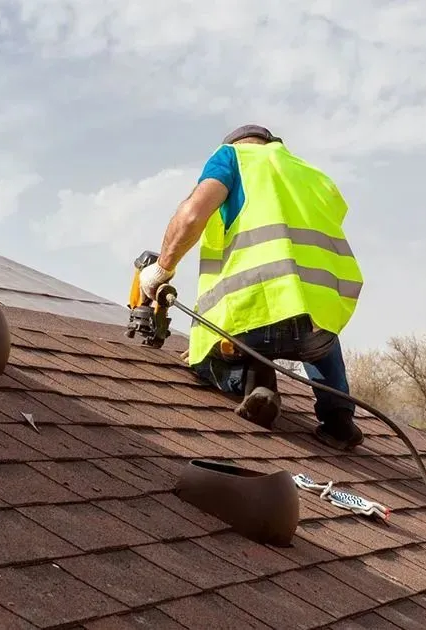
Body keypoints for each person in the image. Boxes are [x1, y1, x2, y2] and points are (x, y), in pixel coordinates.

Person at [138, 124, 365, 450]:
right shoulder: (310, 173)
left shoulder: (232, 158)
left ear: (238, 144)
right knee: (319, 334)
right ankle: (339, 418)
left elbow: (191, 216)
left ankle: (258, 385)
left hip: (254, 314)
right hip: (320, 319)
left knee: (206, 357)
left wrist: (162, 269)